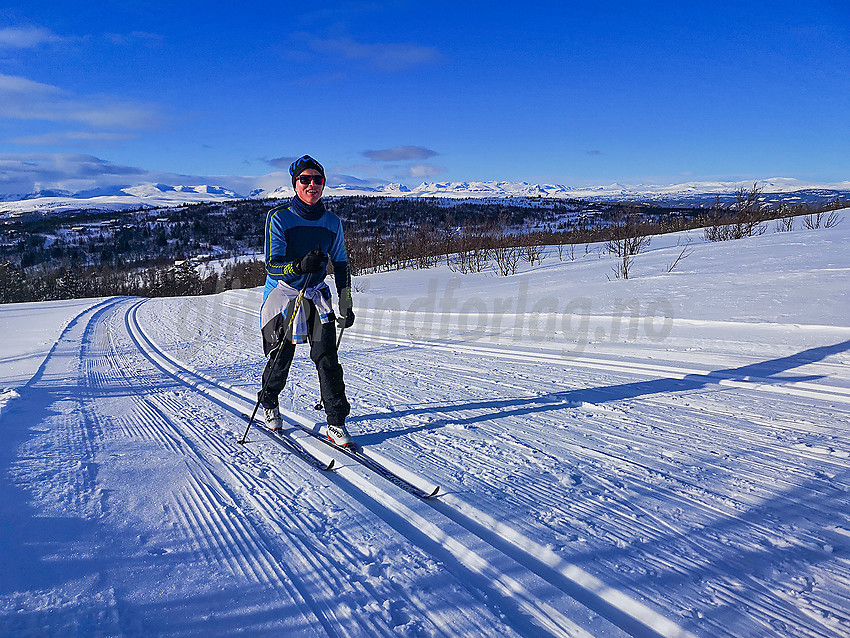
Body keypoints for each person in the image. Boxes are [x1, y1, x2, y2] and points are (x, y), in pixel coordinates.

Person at [258, 155, 355, 446]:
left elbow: (341, 264)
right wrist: (298, 266)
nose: (312, 184)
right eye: (305, 179)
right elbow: (272, 265)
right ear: (295, 184)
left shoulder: (331, 222)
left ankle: (336, 422)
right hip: (284, 294)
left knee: (327, 357)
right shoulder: (280, 217)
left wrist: (346, 301)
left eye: (318, 180)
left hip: (315, 295)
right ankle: (269, 402)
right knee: (282, 356)